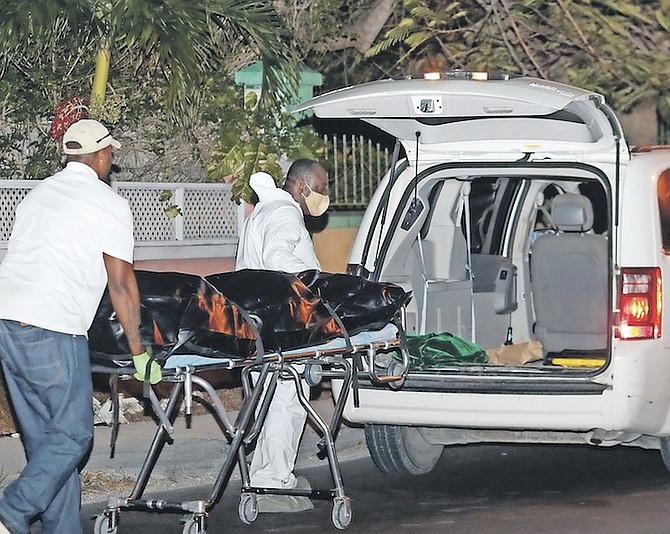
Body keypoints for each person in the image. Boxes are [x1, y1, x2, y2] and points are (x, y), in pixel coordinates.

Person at [0, 118, 157, 534]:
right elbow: (122, 284)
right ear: (102, 155)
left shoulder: (37, 196)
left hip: (8, 323)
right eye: (111, 155)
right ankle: (11, 512)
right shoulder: (107, 203)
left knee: (48, 446)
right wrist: (138, 352)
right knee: (73, 436)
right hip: (54, 326)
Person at [235, 159, 330, 513]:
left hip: (259, 325)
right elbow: (279, 260)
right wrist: (315, 290)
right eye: (321, 188)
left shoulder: (264, 212)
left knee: (272, 400)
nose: (325, 196)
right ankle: (273, 483)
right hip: (283, 327)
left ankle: (265, 477)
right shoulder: (285, 214)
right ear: (302, 187)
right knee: (288, 399)